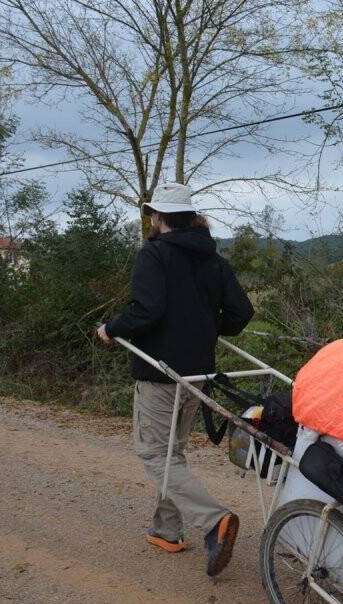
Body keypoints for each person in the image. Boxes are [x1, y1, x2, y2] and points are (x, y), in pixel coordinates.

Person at [96, 183, 254, 578]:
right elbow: (240, 312)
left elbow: (145, 311)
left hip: (160, 372)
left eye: (151, 213)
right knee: (172, 453)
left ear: (158, 217)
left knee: (154, 453)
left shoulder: (155, 253)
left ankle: (214, 521)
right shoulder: (212, 258)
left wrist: (111, 329)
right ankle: (167, 531)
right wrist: (203, 326)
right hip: (198, 372)